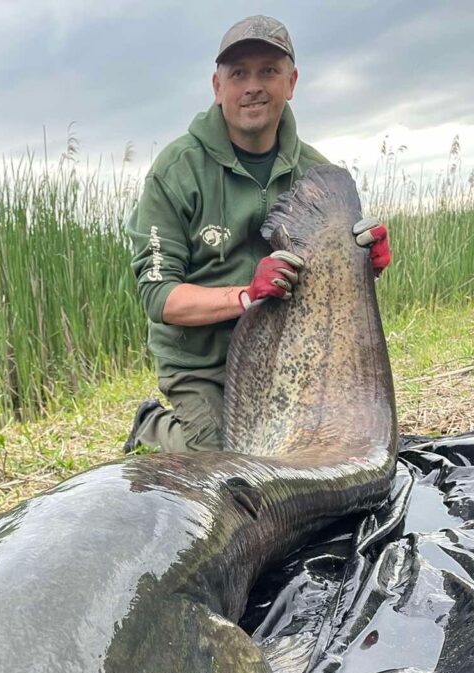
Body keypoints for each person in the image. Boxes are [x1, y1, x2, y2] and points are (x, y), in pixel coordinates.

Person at [124, 14, 391, 454]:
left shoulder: (319, 176)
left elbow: (328, 283)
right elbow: (160, 297)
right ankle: (152, 428)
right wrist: (246, 294)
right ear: (217, 86)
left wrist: (361, 263)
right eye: (239, 73)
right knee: (222, 461)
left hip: (289, 355)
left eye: (268, 71)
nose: (253, 86)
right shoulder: (176, 172)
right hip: (203, 361)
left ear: (292, 81)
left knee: (331, 449)